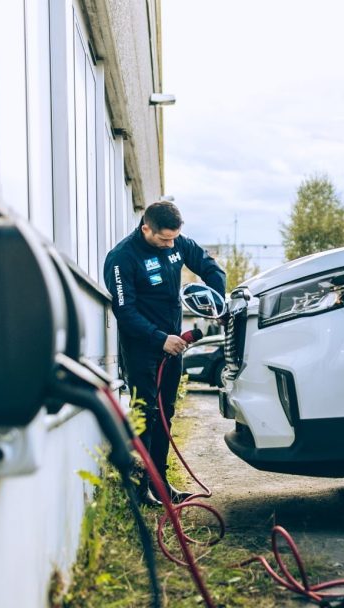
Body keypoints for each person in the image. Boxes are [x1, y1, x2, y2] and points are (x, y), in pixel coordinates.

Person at [103, 201, 226, 506]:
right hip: (142, 348)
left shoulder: (178, 243)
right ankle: (139, 488)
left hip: (174, 347)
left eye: (174, 238)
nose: (171, 245)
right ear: (146, 228)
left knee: (166, 413)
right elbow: (125, 312)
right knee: (146, 414)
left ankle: (160, 485)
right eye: (164, 239)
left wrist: (217, 303)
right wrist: (160, 339)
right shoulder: (122, 258)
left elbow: (212, 270)